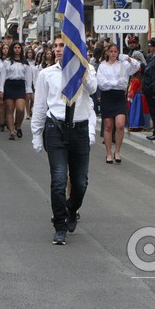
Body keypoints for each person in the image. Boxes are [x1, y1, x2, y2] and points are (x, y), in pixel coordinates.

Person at [31, 35, 97, 245]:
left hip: (79, 129)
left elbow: (93, 89)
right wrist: (36, 134)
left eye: (63, 46)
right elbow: (40, 105)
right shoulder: (46, 74)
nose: (59, 49)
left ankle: (71, 208)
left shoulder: (87, 69)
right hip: (56, 128)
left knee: (80, 182)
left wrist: (80, 69)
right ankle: (59, 226)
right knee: (59, 180)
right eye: (56, 46)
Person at [97, 44, 140, 163]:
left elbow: (137, 67)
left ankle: (117, 151)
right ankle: (108, 153)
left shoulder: (123, 65)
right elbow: (102, 83)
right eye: (111, 51)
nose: (113, 54)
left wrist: (128, 58)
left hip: (119, 97)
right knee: (108, 126)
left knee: (120, 124)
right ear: (107, 53)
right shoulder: (102, 66)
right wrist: (116, 82)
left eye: (115, 51)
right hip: (107, 97)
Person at [0, 42, 33, 140]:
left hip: (20, 85)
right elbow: (3, 76)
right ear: (12, 49)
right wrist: (1, 89)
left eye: (19, 48)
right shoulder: (7, 62)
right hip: (9, 85)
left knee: (20, 108)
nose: (17, 49)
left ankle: (18, 126)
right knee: (10, 109)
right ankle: (12, 131)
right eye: (15, 48)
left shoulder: (25, 63)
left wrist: (29, 90)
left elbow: (28, 77)